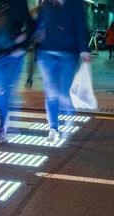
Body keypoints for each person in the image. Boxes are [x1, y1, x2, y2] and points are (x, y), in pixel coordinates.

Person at [36, 0, 91, 144]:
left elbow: (81, 26)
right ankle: (53, 128)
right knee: (51, 91)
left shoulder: (76, 4)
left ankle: (66, 114)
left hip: (69, 53)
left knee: (63, 91)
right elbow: (37, 26)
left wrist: (84, 49)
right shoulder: (46, 4)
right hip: (45, 52)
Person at [0, 0, 36, 142]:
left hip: (13, 55)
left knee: (7, 89)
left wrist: (22, 46)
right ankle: (3, 124)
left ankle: (5, 124)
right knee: (0, 90)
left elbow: (31, 26)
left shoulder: (19, 3)